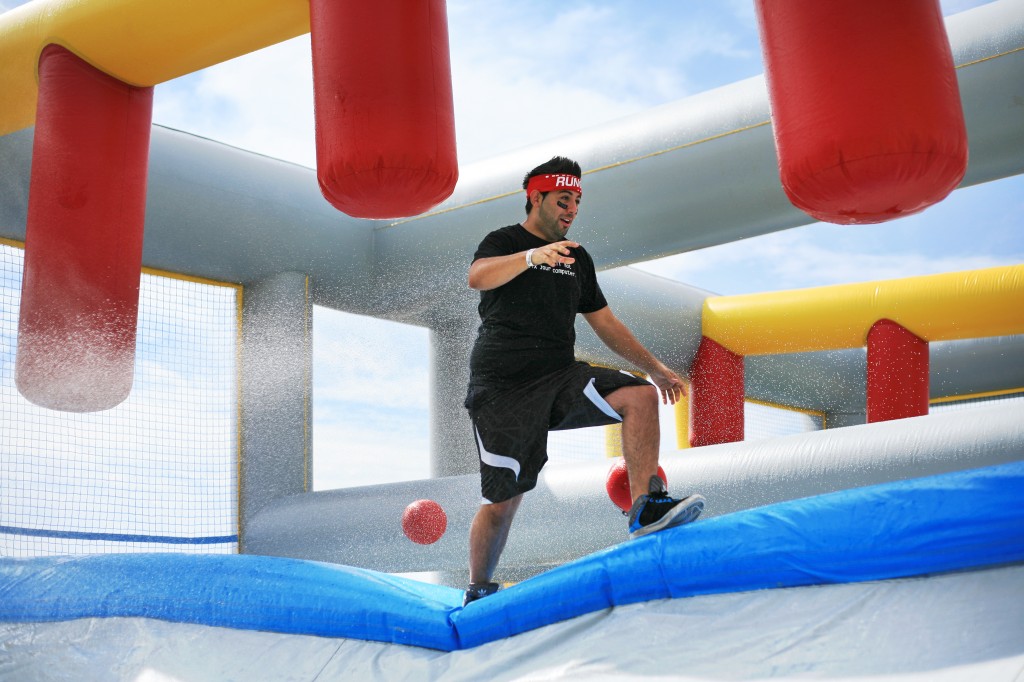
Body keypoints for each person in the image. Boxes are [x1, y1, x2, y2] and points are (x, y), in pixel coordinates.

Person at [462, 156, 704, 605]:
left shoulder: (577, 258)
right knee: (504, 501)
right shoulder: (504, 241)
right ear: (535, 197)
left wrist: (653, 365)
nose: (571, 209)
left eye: (576, 201)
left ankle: (646, 509)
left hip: (559, 375)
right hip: (502, 388)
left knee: (639, 395)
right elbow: (478, 277)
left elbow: (606, 322)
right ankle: (478, 590)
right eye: (562, 199)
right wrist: (531, 257)